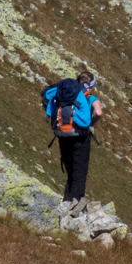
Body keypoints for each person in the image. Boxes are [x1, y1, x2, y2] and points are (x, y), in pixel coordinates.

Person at [45, 69, 103, 204]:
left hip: (63, 134)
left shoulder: (66, 94)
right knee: (79, 172)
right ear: (92, 86)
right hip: (81, 137)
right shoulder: (91, 98)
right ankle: (75, 206)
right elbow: (98, 113)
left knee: (70, 171)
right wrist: (91, 124)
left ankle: (66, 201)